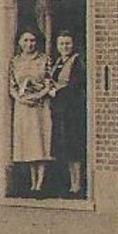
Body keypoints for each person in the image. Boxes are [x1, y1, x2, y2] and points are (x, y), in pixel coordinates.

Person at [10, 29, 53, 194]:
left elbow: (49, 82)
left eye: (33, 40)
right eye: (26, 40)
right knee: (27, 143)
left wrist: (38, 96)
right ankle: (31, 182)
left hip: (40, 106)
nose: (29, 44)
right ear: (20, 42)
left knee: (40, 141)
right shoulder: (15, 61)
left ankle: (40, 183)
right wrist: (19, 98)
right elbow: (12, 85)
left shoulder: (44, 60)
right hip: (23, 106)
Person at [49, 30, 88, 197]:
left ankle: (77, 184)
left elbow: (77, 84)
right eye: (62, 44)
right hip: (60, 110)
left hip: (73, 110)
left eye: (68, 43)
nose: (65, 47)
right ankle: (70, 183)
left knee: (74, 147)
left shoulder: (78, 61)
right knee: (65, 147)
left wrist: (57, 91)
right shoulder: (58, 62)